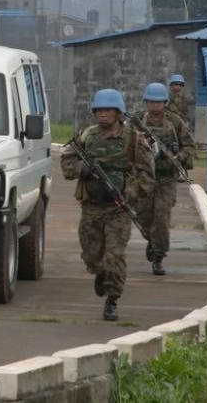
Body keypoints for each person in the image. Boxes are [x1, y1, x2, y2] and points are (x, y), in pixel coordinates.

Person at [60, 89, 154, 321]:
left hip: (118, 209)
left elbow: (147, 176)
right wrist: (83, 169)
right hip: (91, 207)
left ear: (118, 113)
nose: (102, 114)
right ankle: (100, 272)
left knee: (115, 256)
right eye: (99, 110)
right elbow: (67, 160)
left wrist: (129, 193)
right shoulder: (86, 137)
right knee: (92, 256)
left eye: (107, 110)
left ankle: (112, 300)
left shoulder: (133, 139)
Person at [133, 82, 196, 276]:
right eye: (152, 101)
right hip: (143, 178)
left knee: (161, 217)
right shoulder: (137, 121)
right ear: (146, 102)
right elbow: (123, 143)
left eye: (159, 102)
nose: (155, 105)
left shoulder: (175, 122)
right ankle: (153, 241)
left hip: (166, 179)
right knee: (143, 217)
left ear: (165, 102)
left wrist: (179, 157)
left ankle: (158, 257)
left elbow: (190, 146)